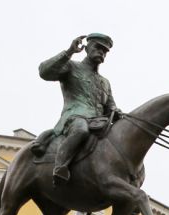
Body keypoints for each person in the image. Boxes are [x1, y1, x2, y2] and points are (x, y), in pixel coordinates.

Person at [35, 33, 119, 183]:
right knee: (81, 129)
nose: (101, 52)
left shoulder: (104, 82)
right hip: (74, 118)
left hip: (99, 122)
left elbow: (110, 106)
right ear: (87, 48)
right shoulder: (71, 67)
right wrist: (69, 52)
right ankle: (60, 166)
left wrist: (117, 112)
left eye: (105, 51)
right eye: (98, 48)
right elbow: (44, 72)